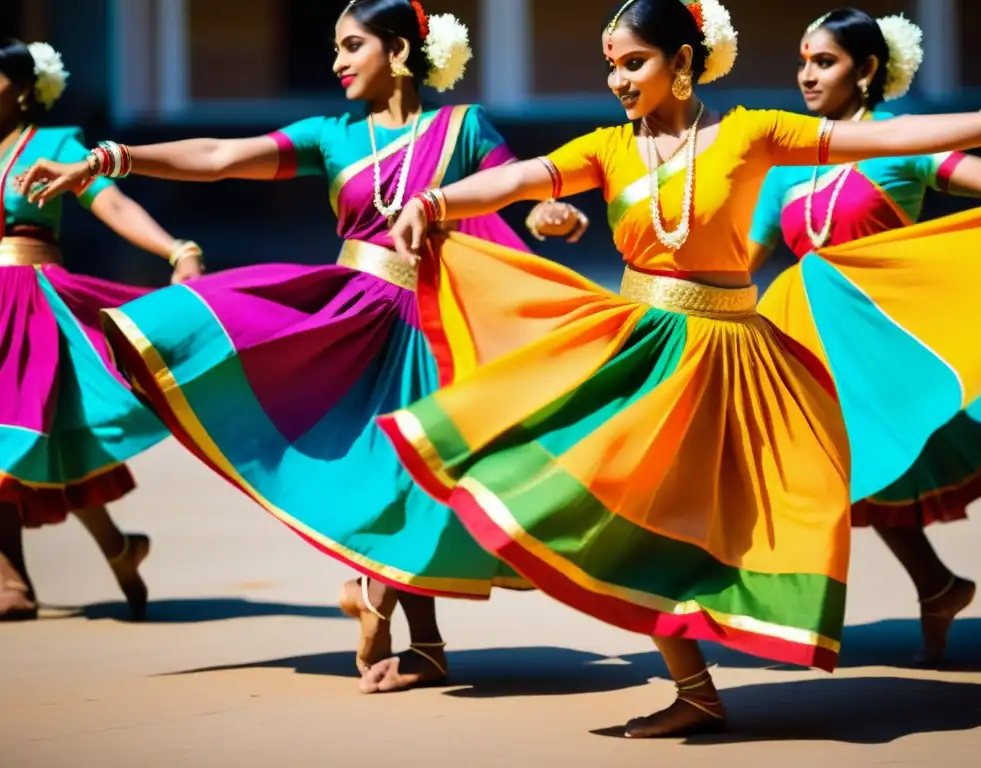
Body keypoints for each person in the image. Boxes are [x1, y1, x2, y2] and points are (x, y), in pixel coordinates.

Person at [376, 0, 981, 737]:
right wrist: (434, 202)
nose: (618, 79)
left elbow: (890, 137)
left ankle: (730, 668)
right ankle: (694, 686)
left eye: (634, 62)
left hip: (730, 358)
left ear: (682, 63)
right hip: (645, 352)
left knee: (727, 520)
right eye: (611, 64)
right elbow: (521, 180)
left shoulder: (752, 133)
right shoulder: (608, 149)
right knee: (617, 499)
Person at [15, 0, 585, 687]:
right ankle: (398, 616)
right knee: (380, 473)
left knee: (426, 476)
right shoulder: (331, 135)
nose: (337, 61)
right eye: (335, 47)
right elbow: (222, 157)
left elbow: (513, 188)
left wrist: (548, 210)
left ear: (399, 52)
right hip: (353, 325)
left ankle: (399, 618)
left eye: (351, 45)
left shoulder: (463, 128)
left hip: (438, 325)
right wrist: (114, 157)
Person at [746, 8, 981, 663]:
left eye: (825, 62)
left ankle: (931, 587)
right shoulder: (786, 161)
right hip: (815, 355)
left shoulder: (903, 138)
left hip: (907, 347)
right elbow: (735, 261)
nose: (807, 76)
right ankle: (936, 586)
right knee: (838, 476)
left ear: (866, 70)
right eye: (803, 61)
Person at [0, 39, 204, 622]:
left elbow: (111, 205)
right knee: (54, 437)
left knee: (31, 432)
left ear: (19, 86)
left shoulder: (54, 144)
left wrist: (178, 249)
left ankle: (13, 581)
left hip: (31, 303)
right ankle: (111, 551)